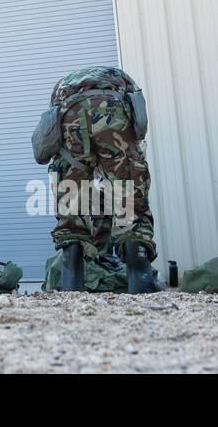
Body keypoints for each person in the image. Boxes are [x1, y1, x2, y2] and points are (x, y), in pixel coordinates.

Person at [46, 65, 158, 294]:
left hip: (69, 113)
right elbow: (139, 120)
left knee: (71, 198)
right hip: (113, 109)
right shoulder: (120, 78)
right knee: (127, 193)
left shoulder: (62, 85)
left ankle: (71, 282)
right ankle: (140, 278)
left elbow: (51, 127)